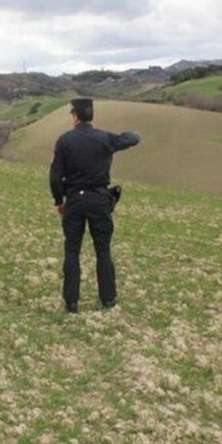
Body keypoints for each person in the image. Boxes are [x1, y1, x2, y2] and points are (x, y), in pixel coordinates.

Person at [49, 98, 140, 314]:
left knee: (72, 251)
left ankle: (71, 303)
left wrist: (59, 201)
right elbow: (133, 139)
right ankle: (108, 299)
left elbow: (54, 176)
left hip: (75, 201)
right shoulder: (105, 138)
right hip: (100, 200)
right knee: (103, 250)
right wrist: (129, 132)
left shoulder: (64, 141)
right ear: (91, 116)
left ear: (75, 116)